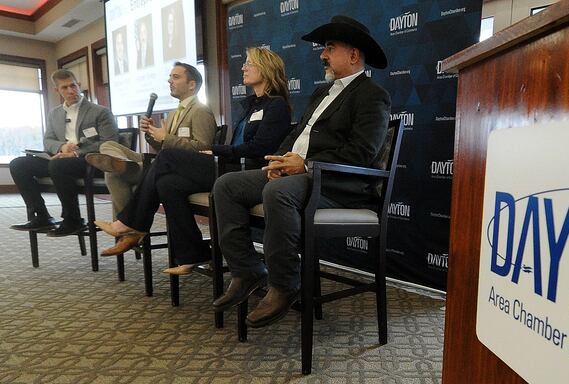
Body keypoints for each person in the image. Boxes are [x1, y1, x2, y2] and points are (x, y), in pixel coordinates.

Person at [210, 16, 391, 328]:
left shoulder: (372, 95)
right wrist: (279, 161)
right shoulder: (321, 93)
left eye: (329, 48)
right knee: (226, 186)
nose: (322, 55)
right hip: (297, 175)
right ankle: (247, 270)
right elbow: (295, 138)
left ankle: (284, 283)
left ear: (353, 55)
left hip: (337, 182)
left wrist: (305, 165)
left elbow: (362, 153)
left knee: (276, 192)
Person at [93, 51, 292, 274]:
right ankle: (192, 253)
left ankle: (133, 223)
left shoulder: (277, 106)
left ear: (266, 68)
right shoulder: (252, 106)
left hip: (244, 173)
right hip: (227, 167)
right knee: (167, 183)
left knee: (167, 157)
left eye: (249, 64)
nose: (243, 68)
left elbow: (260, 148)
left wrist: (215, 149)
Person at [90, 62, 216, 257]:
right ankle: (126, 165)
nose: (169, 81)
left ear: (192, 84)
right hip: (164, 163)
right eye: (170, 77)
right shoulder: (174, 113)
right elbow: (165, 148)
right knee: (107, 146)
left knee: (120, 175)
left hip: (182, 168)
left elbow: (204, 148)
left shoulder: (201, 110)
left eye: (176, 77)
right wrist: (151, 135)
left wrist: (166, 137)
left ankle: (129, 220)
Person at [9, 69, 118, 236]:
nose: (70, 91)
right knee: (19, 164)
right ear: (57, 90)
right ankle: (41, 216)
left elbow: (109, 142)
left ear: (79, 85)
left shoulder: (100, 112)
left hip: (89, 161)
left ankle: (73, 220)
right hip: (60, 160)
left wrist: (75, 153)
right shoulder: (54, 114)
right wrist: (61, 147)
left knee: (59, 165)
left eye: (73, 86)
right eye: (64, 87)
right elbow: (48, 141)